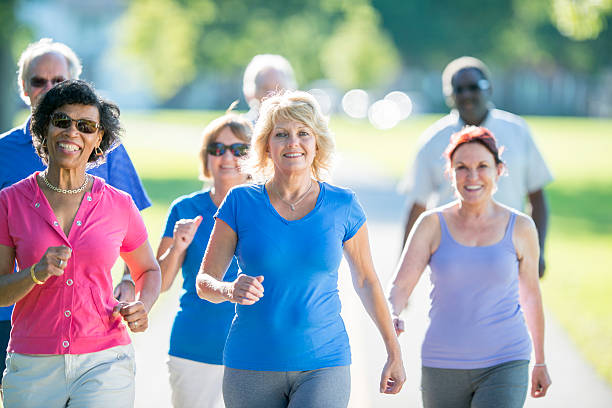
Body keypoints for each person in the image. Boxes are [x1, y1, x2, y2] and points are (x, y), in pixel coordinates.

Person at [196, 91, 405, 408]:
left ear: (317, 142)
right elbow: (204, 282)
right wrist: (228, 289)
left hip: (324, 363)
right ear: (267, 145)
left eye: (303, 133)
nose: (293, 142)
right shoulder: (240, 202)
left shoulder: (343, 204)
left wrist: (393, 350)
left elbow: (366, 281)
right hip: (250, 362)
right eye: (281, 134)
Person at [0, 79, 161, 407]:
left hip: (105, 361)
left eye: (86, 126)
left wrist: (143, 304)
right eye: (62, 121)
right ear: (44, 128)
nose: (73, 132)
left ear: (98, 138)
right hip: (32, 364)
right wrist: (34, 273)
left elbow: (147, 269)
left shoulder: (119, 204)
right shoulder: (9, 202)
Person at [389, 126, 552, 407]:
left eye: (483, 166)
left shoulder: (521, 227)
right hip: (442, 361)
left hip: (506, 359)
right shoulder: (431, 224)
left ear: (499, 170)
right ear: (449, 174)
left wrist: (540, 360)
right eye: (462, 167)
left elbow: (531, 296)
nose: (472, 176)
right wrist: (391, 313)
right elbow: (401, 285)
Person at [398, 56, 553, 277]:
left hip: (508, 254)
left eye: (473, 87)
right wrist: (404, 269)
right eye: (458, 89)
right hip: (451, 257)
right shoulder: (433, 140)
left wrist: (537, 251)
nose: (466, 95)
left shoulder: (517, 131)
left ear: (488, 88)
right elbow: (417, 206)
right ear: (449, 95)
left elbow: (537, 198)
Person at [157, 111, 252, 408]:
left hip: (254, 352)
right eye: (217, 149)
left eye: (239, 150)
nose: (227, 157)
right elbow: (159, 283)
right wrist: (178, 247)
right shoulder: (184, 208)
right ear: (207, 156)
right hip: (194, 348)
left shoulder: (267, 207)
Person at [242, 54, 297, 122]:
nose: (272, 94)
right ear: (253, 92)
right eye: (265, 88)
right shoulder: (242, 129)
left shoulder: (299, 127)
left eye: (278, 88)